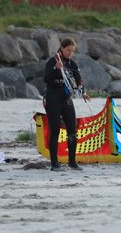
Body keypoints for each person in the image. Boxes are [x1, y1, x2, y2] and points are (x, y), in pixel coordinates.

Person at [43, 37, 91, 171]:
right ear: (62, 48)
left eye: (72, 51)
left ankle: (72, 162)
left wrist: (83, 93)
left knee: (72, 131)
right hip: (53, 98)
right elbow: (46, 79)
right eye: (68, 50)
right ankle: (54, 163)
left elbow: (78, 80)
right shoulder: (53, 61)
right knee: (55, 131)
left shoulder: (72, 64)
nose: (70, 53)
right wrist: (56, 70)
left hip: (67, 99)